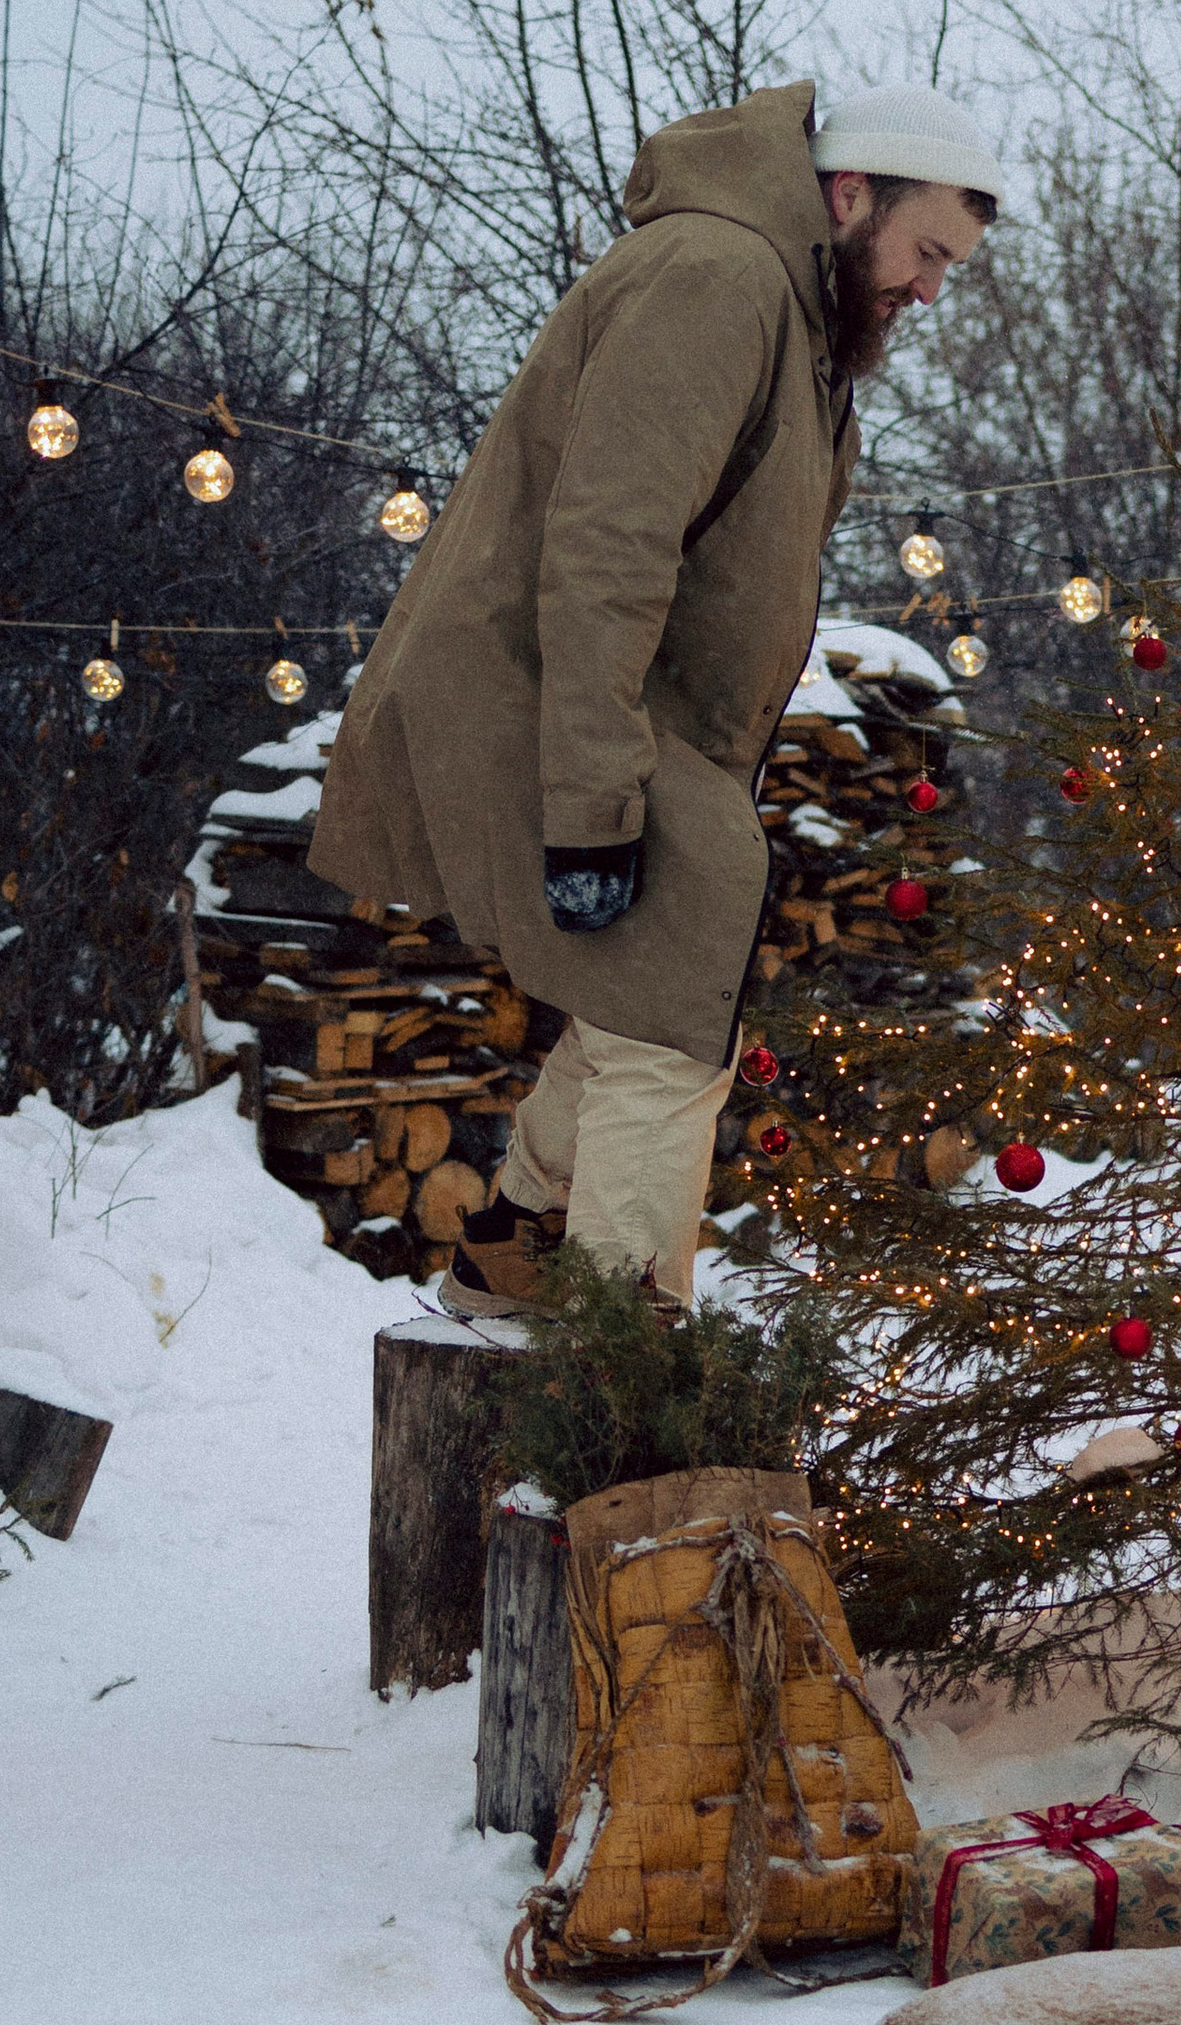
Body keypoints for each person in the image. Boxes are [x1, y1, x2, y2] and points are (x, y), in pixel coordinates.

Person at [309, 76, 1001, 1306]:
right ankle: (621, 1351)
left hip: (618, 712)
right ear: (850, 195)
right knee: (668, 1022)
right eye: (926, 250)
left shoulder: (788, 314)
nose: (932, 289)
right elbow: (607, 549)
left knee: (659, 991)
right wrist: (589, 799)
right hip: (543, 696)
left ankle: (513, 1243)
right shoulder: (719, 279)